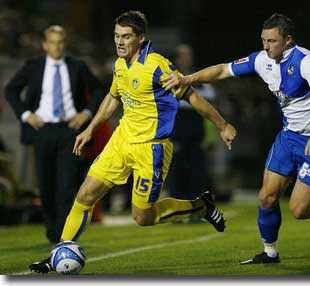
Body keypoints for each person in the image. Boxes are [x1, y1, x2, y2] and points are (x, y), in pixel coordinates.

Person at [29, 10, 236, 273]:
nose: (120, 42)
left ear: (141, 38)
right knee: (84, 195)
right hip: (122, 140)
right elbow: (112, 98)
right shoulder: (119, 64)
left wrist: (223, 125)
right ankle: (58, 253)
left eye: (126, 36)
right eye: (116, 36)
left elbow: (192, 96)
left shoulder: (157, 66)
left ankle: (200, 206)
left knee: (143, 217)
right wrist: (90, 128)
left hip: (152, 148)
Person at [164, 13, 310, 264]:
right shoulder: (261, 60)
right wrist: (188, 78)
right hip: (289, 137)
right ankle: (270, 252)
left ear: (288, 40)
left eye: (272, 41)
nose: (266, 46)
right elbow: (222, 70)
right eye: (263, 40)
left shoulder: (306, 61)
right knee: (266, 196)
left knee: (299, 210)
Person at [5, 25, 104, 243]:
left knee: (67, 185)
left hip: (69, 131)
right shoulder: (34, 66)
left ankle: (63, 234)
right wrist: (26, 115)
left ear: (65, 44)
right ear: (45, 45)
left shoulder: (77, 66)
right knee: (46, 185)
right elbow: (10, 90)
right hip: (42, 131)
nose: (56, 46)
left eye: (60, 42)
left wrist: (86, 113)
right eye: (52, 42)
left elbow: (99, 89)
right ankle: (51, 230)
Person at [168, 44, 217, 202]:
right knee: (177, 171)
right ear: (177, 59)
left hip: (197, 135)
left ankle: (195, 207)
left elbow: (210, 95)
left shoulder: (199, 79)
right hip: (176, 134)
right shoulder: (168, 78)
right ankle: (177, 207)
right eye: (183, 56)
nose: (186, 59)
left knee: (197, 171)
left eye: (188, 55)